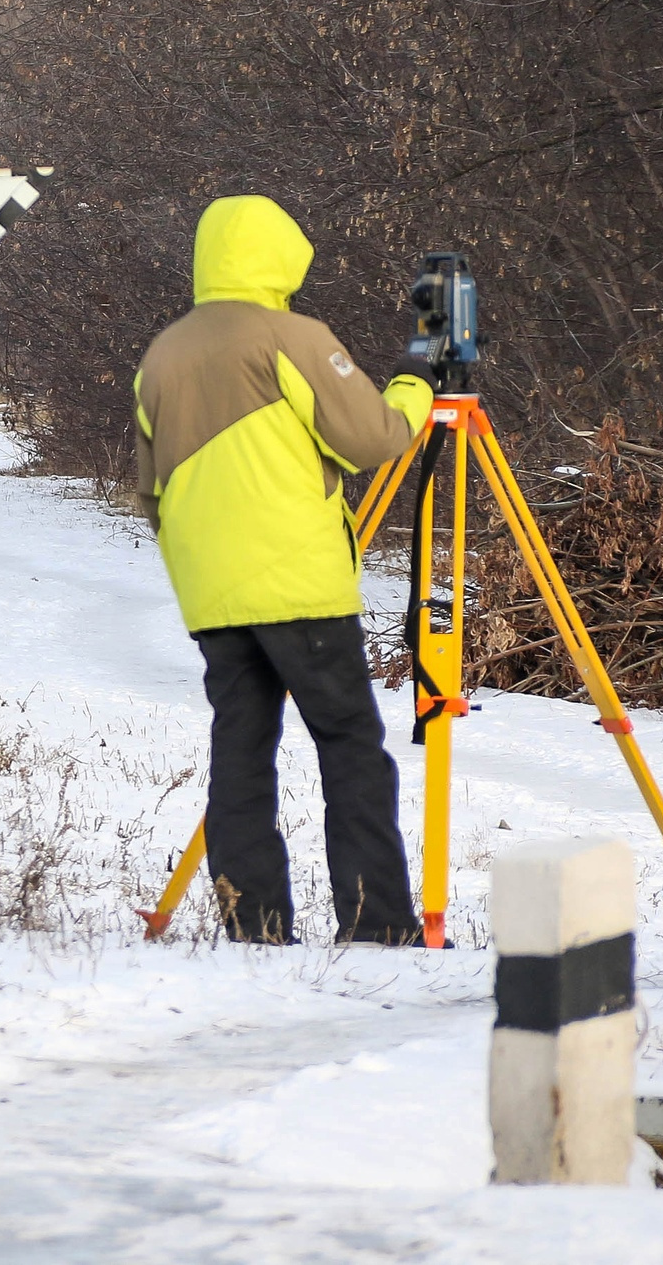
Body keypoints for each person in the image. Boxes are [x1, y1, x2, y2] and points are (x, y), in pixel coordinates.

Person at [131, 195, 439, 945]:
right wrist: (416, 377)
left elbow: (149, 489)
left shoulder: (163, 355)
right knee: (351, 745)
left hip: (213, 593)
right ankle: (379, 926)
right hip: (299, 586)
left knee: (241, 751)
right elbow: (374, 436)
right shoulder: (292, 336)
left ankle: (254, 924)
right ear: (280, 255)